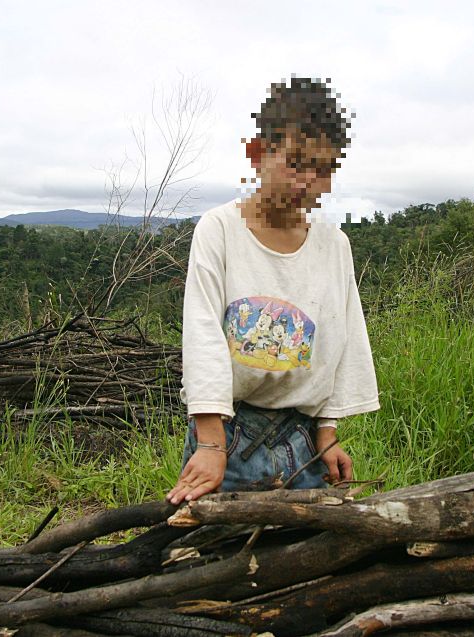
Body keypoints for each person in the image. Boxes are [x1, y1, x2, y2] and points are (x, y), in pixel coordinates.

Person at [168, 77, 380, 505]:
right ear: (257, 154)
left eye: (323, 170)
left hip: (301, 440)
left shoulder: (333, 246)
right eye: (297, 163)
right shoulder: (221, 230)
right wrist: (210, 445)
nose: (308, 182)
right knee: (214, 555)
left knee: (302, 559)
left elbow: (341, 341)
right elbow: (203, 335)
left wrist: (327, 434)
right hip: (229, 433)